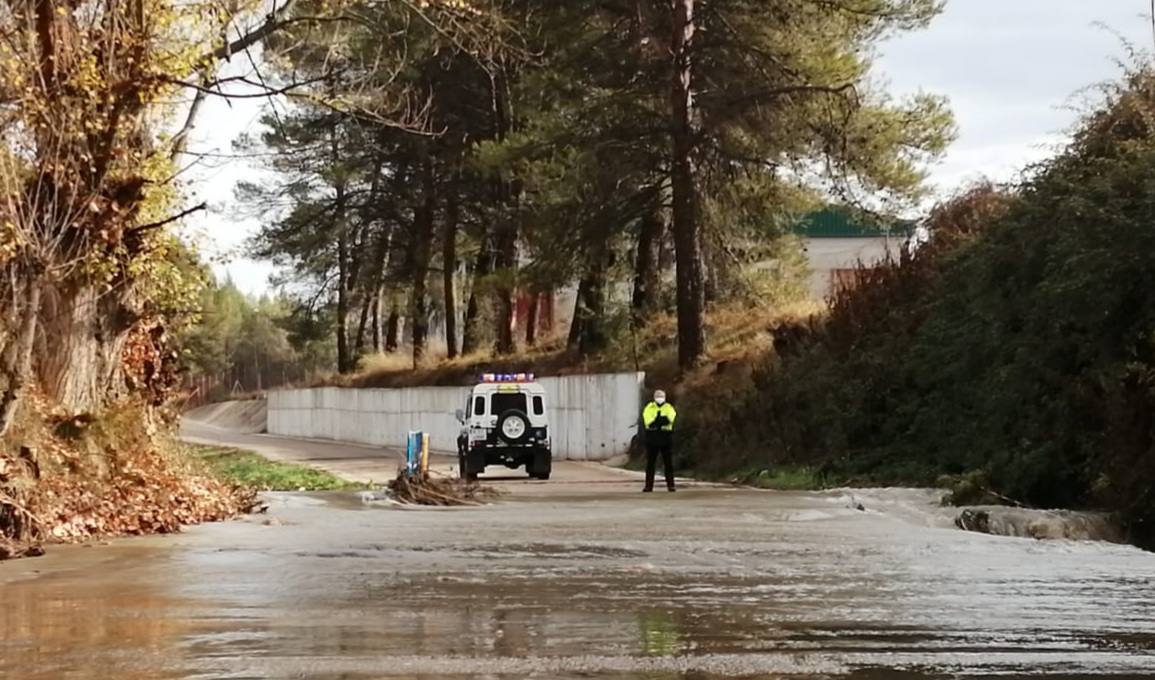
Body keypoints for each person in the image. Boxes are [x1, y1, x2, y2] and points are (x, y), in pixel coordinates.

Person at [641, 389, 677, 492]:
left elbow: (670, 419)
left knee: (668, 463)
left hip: (666, 437)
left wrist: (657, 421)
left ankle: (671, 485)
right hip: (652, 437)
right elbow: (648, 421)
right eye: (658, 397)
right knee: (650, 463)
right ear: (654, 398)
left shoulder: (669, 407)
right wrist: (661, 420)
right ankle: (648, 486)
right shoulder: (649, 407)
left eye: (661, 397)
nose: (659, 399)